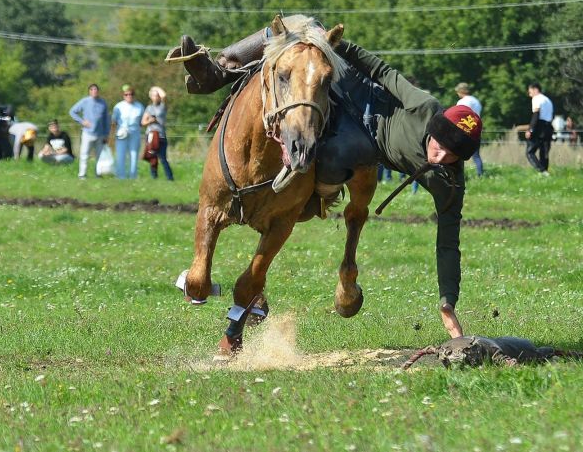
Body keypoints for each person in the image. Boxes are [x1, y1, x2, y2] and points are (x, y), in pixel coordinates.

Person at [167, 21, 482, 338]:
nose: (439, 157)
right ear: (435, 128)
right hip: (358, 96)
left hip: (361, 142)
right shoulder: (424, 108)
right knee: (298, 25)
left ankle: (312, 196)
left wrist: (447, 302)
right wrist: (327, 41)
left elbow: (448, 243)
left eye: (451, 156)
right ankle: (219, 71)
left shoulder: (449, 181)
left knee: (333, 157)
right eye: (438, 147)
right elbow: (383, 71)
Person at [69, 83, 110, 179]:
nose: (94, 91)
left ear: (98, 91)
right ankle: (82, 174)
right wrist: (82, 121)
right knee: (84, 155)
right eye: (92, 89)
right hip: (87, 133)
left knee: (99, 156)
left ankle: (98, 174)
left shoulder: (103, 102)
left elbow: (106, 120)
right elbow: (72, 111)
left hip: (100, 134)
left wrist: (106, 134)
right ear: (89, 91)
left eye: (96, 89)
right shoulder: (85, 101)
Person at [111, 85, 145, 179]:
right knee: (120, 155)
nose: (129, 96)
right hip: (121, 133)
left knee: (134, 155)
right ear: (123, 96)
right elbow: (114, 121)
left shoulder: (139, 106)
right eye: (127, 94)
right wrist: (112, 135)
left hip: (135, 133)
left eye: (131, 94)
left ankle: (133, 176)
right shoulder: (118, 106)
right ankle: (120, 176)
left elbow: (142, 121)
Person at [141, 86, 174, 180]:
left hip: (161, 135)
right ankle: (154, 177)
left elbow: (164, 96)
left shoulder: (162, 106)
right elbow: (143, 122)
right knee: (152, 157)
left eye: (157, 95)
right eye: (154, 95)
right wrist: (151, 121)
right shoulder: (149, 108)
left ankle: (170, 178)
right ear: (151, 97)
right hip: (151, 135)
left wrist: (156, 88)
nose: (156, 97)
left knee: (163, 158)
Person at [455, 82, 484, 176]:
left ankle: (459, 174)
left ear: (461, 91)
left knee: (458, 154)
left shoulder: (463, 102)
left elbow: (458, 115)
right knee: (476, 155)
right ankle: (480, 175)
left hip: (465, 129)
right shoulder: (476, 101)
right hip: (476, 129)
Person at [525, 82, 554, 176]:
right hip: (549, 127)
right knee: (544, 152)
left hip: (539, 126)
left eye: (530, 92)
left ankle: (542, 171)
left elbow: (536, 115)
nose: (530, 95)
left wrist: (530, 129)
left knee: (530, 152)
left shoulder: (536, 99)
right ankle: (545, 172)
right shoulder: (548, 100)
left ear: (535, 89)